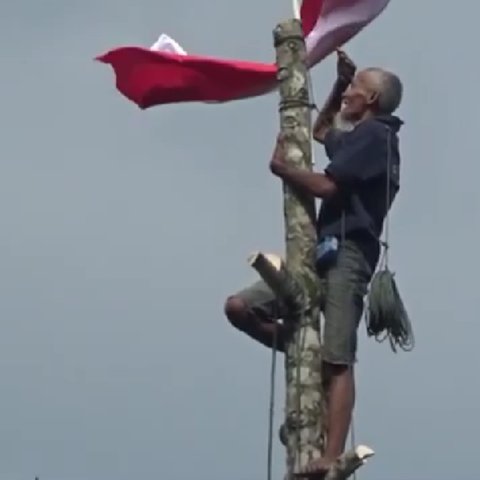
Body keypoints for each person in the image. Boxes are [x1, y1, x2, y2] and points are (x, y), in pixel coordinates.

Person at [224, 50, 404, 477]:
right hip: (319, 251)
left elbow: (327, 186)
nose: (350, 92)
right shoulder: (360, 132)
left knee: (338, 358)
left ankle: (331, 453)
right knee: (240, 308)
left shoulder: (377, 136)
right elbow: (322, 130)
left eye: (357, 85)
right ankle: (301, 350)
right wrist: (338, 84)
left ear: (373, 97)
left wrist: (282, 170)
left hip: (349, 254)